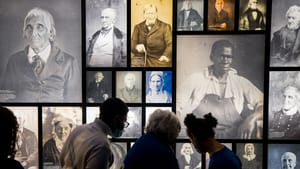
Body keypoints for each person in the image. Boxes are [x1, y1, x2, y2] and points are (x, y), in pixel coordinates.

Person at [177, 39, 263, 139]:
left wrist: (251, 119)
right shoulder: (196, 79)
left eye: (229, 57)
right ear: (212, 57)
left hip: (232, 136)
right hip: (201, 136)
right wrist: (177, 122)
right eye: (221, 56)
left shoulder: (240, 82)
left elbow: (263, 104)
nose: (225, 60)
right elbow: (177, 103)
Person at [0, 7, 81, 102]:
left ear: (51, 33)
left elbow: (74, 101)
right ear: (24, 33)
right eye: (29, 28)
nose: (33, 33)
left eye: (40, 27)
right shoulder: (14, 60)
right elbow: (6, 99)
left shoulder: (69, 62)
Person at [60, 97, 129, 169]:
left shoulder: (78, 130)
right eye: (124, 121)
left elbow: (62, 159)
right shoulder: (102, 145)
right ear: (117, 119)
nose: (124, 126)